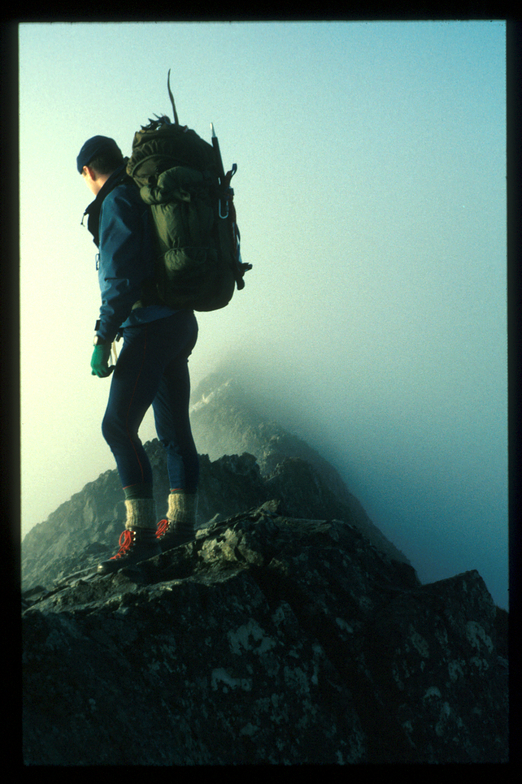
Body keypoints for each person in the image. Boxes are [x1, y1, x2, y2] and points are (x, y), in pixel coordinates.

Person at [77, 135, 199, 574]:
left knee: (117, 427)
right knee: (172, 428)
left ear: (89, 171)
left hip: (149, 329)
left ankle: (141, 535)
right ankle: (182, 524)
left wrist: (100, 339)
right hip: (180, 323)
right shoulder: (145, 192)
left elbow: (120, 280)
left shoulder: (116, 200)